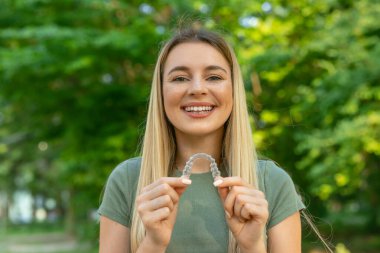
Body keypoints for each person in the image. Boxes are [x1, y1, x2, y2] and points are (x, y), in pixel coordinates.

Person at [98, 27, 305, 253]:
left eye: (214, 77)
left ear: (233, 90)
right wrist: (154, 243)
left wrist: (252, 245)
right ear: (161, 92)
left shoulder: (272, 183)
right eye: (180, 78)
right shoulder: (127, 181)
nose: (197, 89)